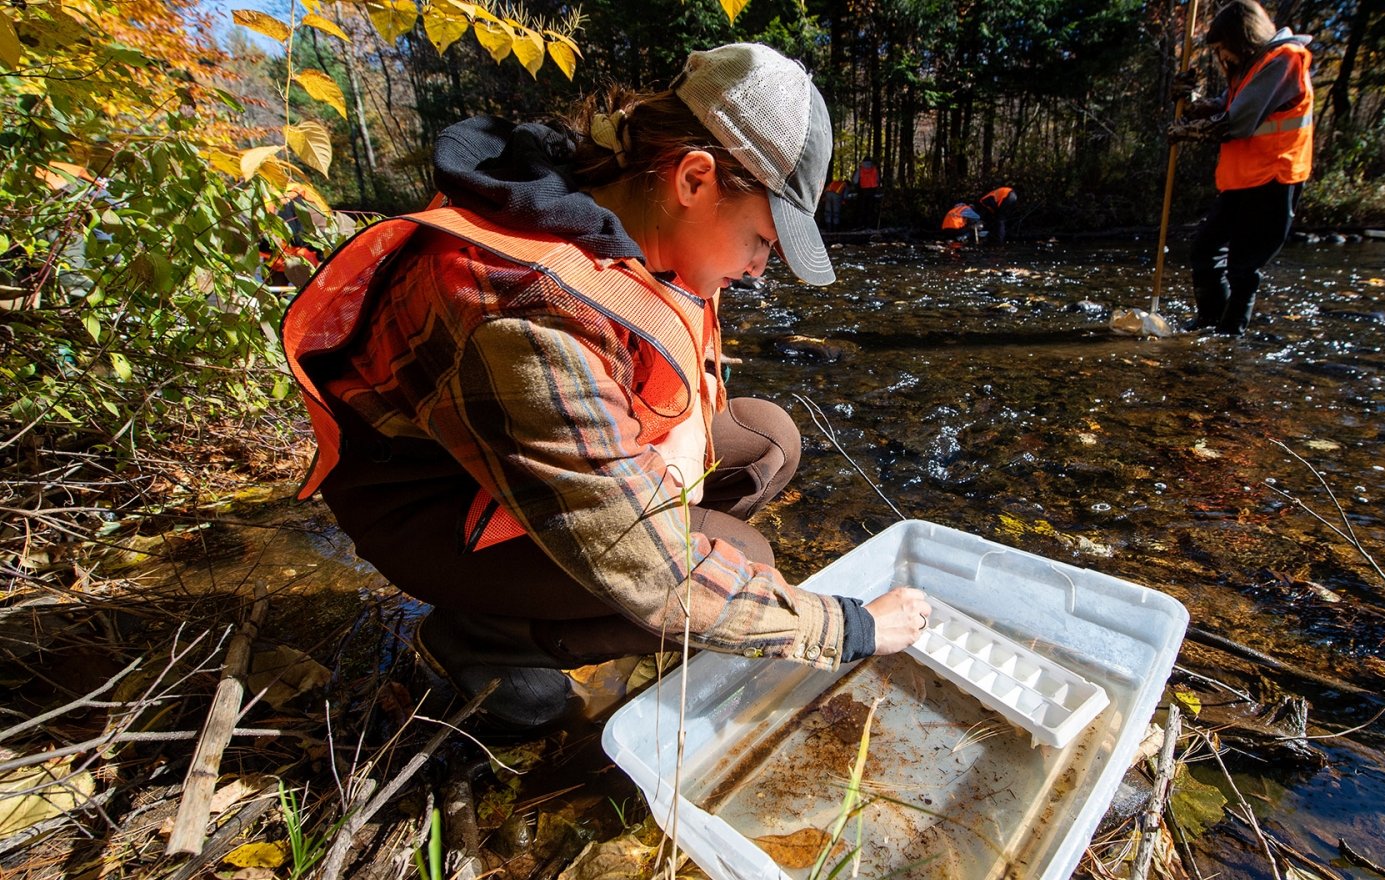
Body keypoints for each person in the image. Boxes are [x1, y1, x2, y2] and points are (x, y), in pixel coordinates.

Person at [281, 43, 931, 731]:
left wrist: (675, 456)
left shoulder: (633, 211)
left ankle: (561, 598)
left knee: (769, 439)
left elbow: (678, 346)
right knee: (741, 563)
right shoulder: (525, 304)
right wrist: (847, 628)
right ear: (694, 179)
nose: (760, 269)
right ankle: (485, 637)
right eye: (763, 241)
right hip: (429, 503)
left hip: (514, 459)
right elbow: (653, 571)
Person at [1167, 0, 1313, 335]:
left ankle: (1228, 336)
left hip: (1275, 178)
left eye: (1222, 49)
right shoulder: (1251, 69)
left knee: (1243, 267)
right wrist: (1187, 100)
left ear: (1241, 38)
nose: (1221, 58)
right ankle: (1210, 322)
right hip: (1243, 180)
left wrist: (1186, 132)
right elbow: (1221, 108)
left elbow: (1237, 121)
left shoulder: (1284, 60)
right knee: (1205, 250)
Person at [851, 157, 883, 228]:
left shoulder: (860, 169)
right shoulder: (874, 169)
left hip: (863, 191)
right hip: (872, 191)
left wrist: (854, 187)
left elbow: (855, 180)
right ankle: (870, 225)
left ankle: (861, 225)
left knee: (862, 208)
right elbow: (878, 180)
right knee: (871, 208)